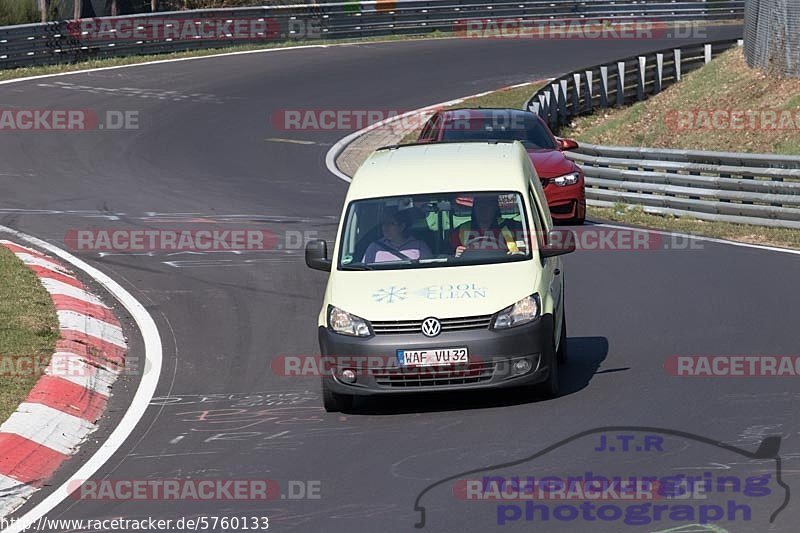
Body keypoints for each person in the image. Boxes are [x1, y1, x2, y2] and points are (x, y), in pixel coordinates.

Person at [450, 195, 521, 257]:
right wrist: (456, 254)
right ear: (474, 208)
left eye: (489, 204)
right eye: (480, 204)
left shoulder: (513, 226)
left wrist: (518, 252)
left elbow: (526, 250)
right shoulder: (460, 230)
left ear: (495, 208)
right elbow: (446, 257)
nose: (484, 208)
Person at [362, 208, 432, 263]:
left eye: (391, 223)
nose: (385, 227)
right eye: (384, 223)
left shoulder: (419, 246)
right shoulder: (374, 247)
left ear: (402, 226)